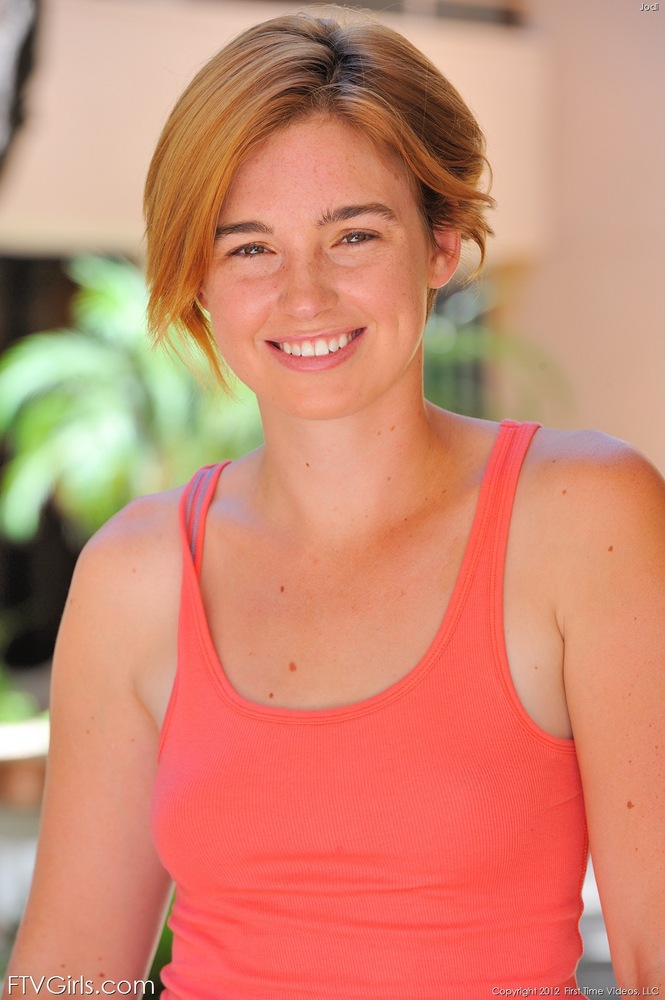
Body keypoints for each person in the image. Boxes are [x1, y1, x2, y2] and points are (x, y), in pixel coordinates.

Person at [4, 6, 665, 997]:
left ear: (440, 244)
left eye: (352, 235)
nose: (303, 295)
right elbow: (66, 975)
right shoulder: (135, 573)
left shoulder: (584, 520)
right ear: (198, 275)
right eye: (249, 248)